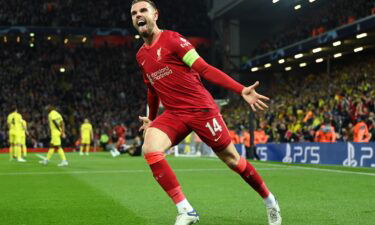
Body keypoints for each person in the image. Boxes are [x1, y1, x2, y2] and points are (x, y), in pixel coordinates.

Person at [131, 1, 282, 225]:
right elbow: (152, 89)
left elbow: (204, 68)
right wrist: (152, 118)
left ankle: (270, 201)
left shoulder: (173, 40)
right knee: (150, 147)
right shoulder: (141, 56)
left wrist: (241, 90)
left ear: (155, 14)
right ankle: (186, 210)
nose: (138, 15)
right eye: (134, 13)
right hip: (174, 114)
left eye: (143, 10)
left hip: (201, 109)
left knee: (233, 160)